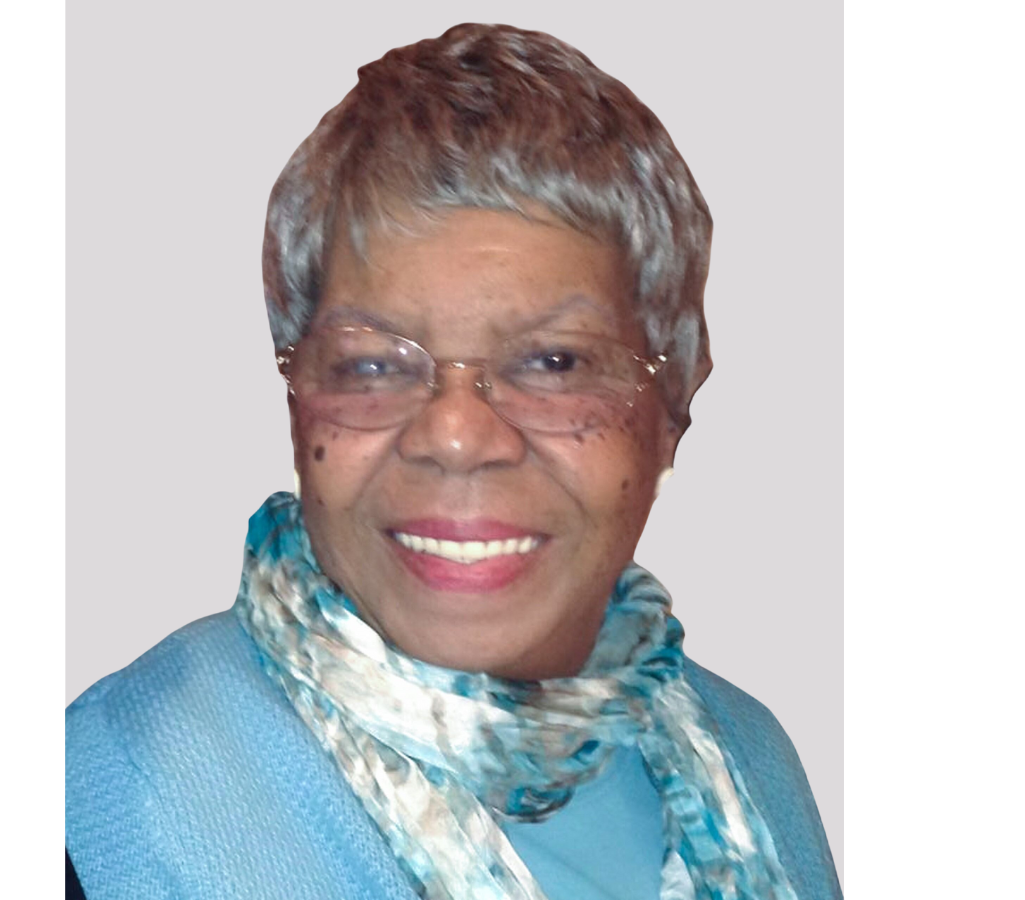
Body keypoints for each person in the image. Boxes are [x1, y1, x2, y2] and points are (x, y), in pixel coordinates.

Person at [66, 22, 840, 900]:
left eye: (555, 363)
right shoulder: (103, 818)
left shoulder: (756, 767)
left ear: (672, 407)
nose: (457, 436)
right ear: (296, 396)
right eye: (371, 365)